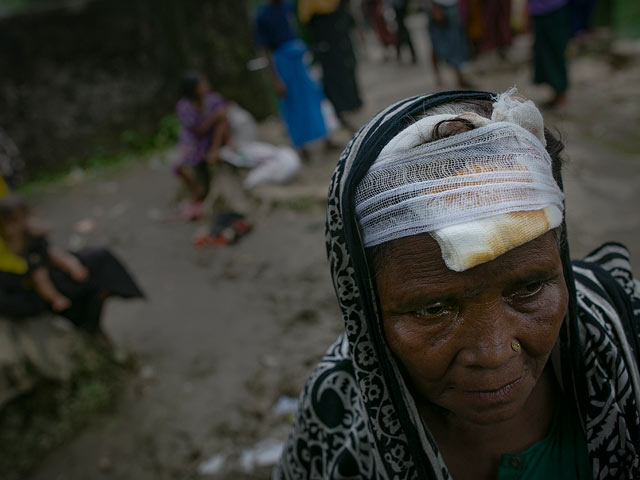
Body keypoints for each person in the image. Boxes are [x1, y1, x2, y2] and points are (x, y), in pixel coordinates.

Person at [274, 89, 640, 478]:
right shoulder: (335, 416)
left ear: (559, 256)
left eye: (530, 288)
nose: (494, 353)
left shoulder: (626, 333)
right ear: (364, 301)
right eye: (433, 309)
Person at [0, 194, 144, 345]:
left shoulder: (28, 236)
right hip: (33, 285)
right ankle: (88, 325)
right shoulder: (20, 246)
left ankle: (92, 324)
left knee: (96, 264)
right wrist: (55, 297)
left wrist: (72, 265)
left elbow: (51, 251)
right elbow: (38, 275)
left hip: (47, 272)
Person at [254, 0, 329, 155]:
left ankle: (325, 137)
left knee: (313, 98)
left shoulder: (288, 6)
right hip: (282, 63)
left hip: (299, 58)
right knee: (291, 104)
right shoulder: (262, 17)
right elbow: (265, 50)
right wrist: (276, 79)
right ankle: (301, 145)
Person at [298, 0, 363, 127]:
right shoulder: (311, 7)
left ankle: (352, 101)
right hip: (325, 39)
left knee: (348, 67)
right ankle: (340, 108)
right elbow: (307, 21)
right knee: (332, 74)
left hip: (339, 34)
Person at [175, 72, 230, 218]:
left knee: (221, 121)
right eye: (202, 84)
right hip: (194, 141)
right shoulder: (184, 106)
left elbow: (224, 118)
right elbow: (197, 131)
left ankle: (214, 150)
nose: (206, 86)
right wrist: (214, 117)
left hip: (212, 139)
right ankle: (196, 192)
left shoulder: (213, 99)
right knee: (178, 166)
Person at [529, 0, 570, 110]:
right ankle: (556, 94)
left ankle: (561, 94)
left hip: (552, 7)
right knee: (544, 52)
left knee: (555, 49)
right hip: (539, 9)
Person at [425, 0, 472, 88]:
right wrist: (434, 7)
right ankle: (438, 78)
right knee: (437, 45)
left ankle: (460, 78)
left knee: (456, 42)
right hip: (438, 6)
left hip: (453, 6)